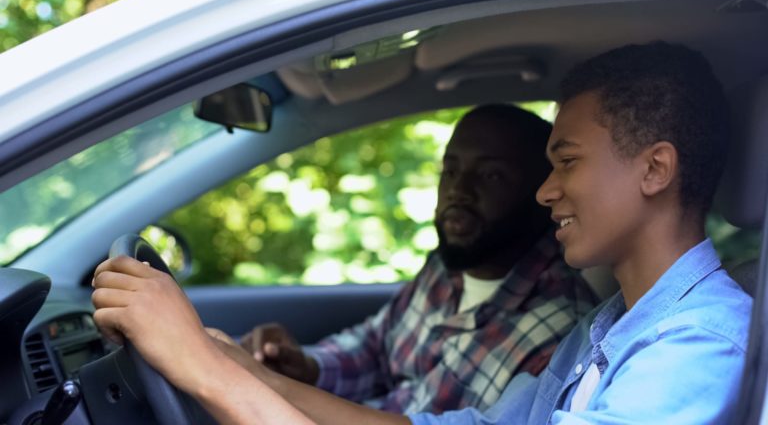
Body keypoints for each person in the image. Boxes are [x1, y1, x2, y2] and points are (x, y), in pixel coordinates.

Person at [91, 41, 752, 425]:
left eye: (566, 162)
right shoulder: (607, 330)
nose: (546, 190)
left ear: (655, 169)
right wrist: (235, 365)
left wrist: (203, 372)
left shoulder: (699, 345)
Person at [235, 104, 596, 414]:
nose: (458, 190)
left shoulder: (560, 332)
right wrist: (308, 368)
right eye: (450, 170)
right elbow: (376, 345)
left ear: (544, 192)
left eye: (491, 175)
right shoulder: (448, 265)